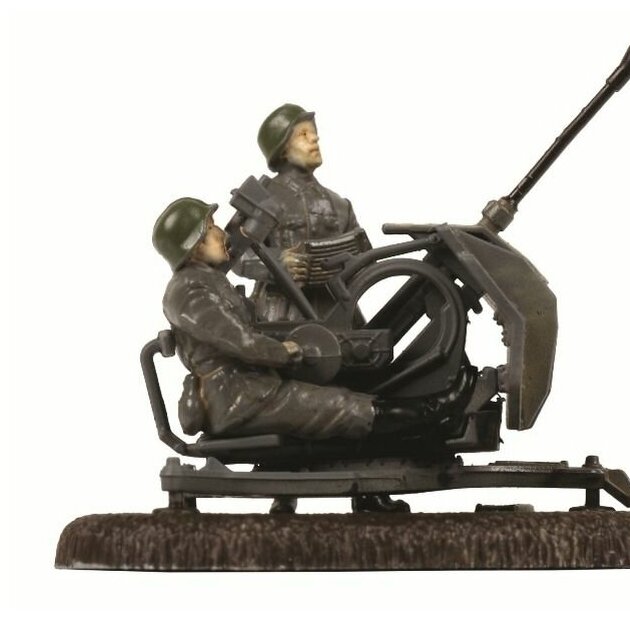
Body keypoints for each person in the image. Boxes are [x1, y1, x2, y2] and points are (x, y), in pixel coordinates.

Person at [153, 198, 473, 511]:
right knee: (341, 407)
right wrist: (285, 352)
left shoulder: (206, 281)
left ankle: (423, 422)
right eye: (211, 228)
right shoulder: (189, 291)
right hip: (241, 397)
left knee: (347, 393)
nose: (220, 232)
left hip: (252, 386)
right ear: (193, 245)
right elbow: (240, 341)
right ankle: (435, 410)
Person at [234, 103, 368, 322]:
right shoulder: (263, 197)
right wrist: (278, 264)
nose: (314, 138)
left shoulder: (341, 205)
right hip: (278, 315)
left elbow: (363, 261)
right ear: (282, 149)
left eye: (314, 133)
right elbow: (235, 254)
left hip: (337, 313)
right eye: (303, 134)